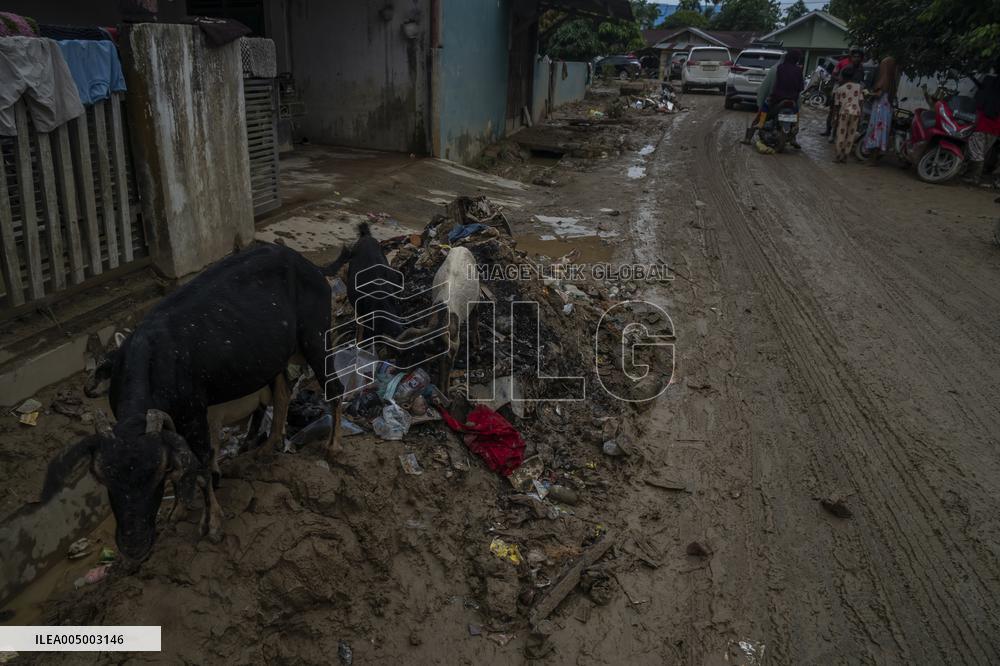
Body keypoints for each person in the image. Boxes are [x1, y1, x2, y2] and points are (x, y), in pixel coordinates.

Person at [965, 73, 1000, 187]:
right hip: (995, 129)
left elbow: (978, 103)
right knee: (982, 152)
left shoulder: (988, 86)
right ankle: (972, 175)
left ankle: (973, 177)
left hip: (982, 124)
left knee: (976, 152)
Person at [861, 56, 898, 163]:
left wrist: (868, 93)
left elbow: (878, 94)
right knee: (880, 134)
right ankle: (874, 159)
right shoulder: (892, 81)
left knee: (875, 132)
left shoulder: (884, 79)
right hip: (886, 111)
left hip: (880, 110)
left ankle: (872, 160)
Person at [769, 48, 804, 148]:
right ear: (797, 59)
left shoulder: (780, 67)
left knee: (764, 111)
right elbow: (800, 88)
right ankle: (793, 137)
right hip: (792, 101)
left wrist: (772, 95)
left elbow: (776, 84)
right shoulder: (798, 70)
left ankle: (757, 127)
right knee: (796, 117)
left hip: (778, 99)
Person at [833, 66, 864, 162]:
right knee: (851, 133)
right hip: (855, 113)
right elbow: (861, 101)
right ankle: (846, 155)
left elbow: (836, 105)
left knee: (841, 133)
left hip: (844, 113)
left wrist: (834, 118)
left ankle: (839, 154)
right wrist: (860, 113)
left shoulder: (840, 89)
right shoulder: (859, 87)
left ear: (842, 76)